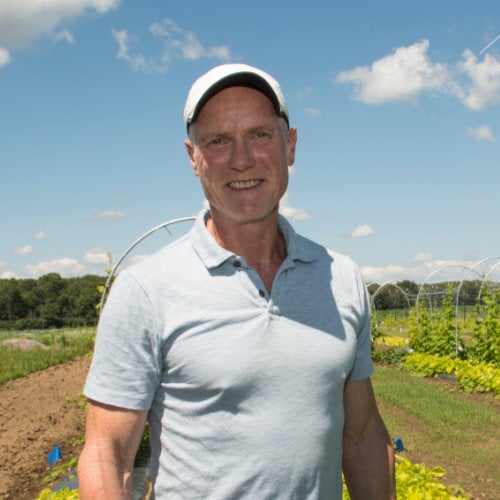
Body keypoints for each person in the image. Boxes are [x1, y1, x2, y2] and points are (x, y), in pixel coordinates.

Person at [78, 63, 396, 499]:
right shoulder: (146, 290)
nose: (241, 159)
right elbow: (106, 455)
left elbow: (361, 435)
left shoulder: (339, 278)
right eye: (218, 141)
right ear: (194, 157)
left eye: (260, 135)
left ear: (291, 145)